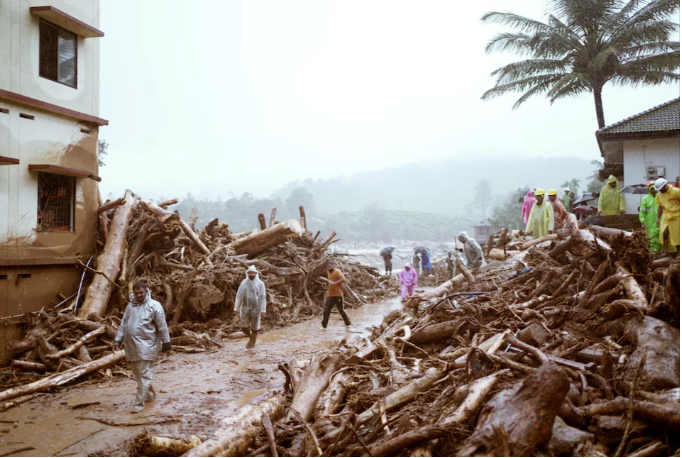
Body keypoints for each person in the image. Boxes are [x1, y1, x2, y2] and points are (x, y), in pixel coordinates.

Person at [113, 282, 171, 413]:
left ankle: (139, 404)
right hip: (132, 346)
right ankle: (150, 395)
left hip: (147, 346)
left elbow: (162, 326)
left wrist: (166, 345)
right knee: (138, 374)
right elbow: (124, 324)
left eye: (141, 292)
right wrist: (117, 340)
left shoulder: (154, 306)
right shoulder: (130, 306)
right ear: (133, 293)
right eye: (136, 293)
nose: (139, 295)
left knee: (143, 374)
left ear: (147, 291)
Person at [234, 266, 267, 349]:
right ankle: (251, 338)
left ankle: (252, 342)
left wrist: (263, 310)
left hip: (256, 308)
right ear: (247, 273)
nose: (251, 274)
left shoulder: (260, 284)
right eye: (249, 273)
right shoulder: (243, 283)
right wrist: (236, 308)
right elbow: (239, 296)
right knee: (244, 327)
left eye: (253, 273)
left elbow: (263, 297)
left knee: (254, 327)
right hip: (245, 307)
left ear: (256, 273)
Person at [319, 262, 352, 330]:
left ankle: (348, 323)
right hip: (330, 294)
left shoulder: (337, 271)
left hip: (338, 294)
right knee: (326, 310)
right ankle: (324, 326)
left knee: (341, 310)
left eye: (330, 267)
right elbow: (321, 278)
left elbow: (343, 279)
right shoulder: (328, 272)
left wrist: (334, 283)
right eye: (327, 267)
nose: (329, 268)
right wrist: (328, 281)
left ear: (332, 266)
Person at [654, 178, 680, 254]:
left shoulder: (676, 191)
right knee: (664, 232)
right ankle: (665, 251)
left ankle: (679, 253)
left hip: (677, 216)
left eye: (660, 188)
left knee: (677, 235)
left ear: (665, 186)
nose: (659, 190)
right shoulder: (660, 194)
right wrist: (658, 219)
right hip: (666, 216)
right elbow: (660, 207)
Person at [639, 182, 661, 252]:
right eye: (652, 189)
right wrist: (642, 222)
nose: (653, 190)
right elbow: (642, 212)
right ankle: (653, 253)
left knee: (661, 238)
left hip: (660, 222)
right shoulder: (645, 199)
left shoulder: (660, 197)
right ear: (649, 190)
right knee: (652, 239)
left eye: (655, 189)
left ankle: (661, 253)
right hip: (650, 223)